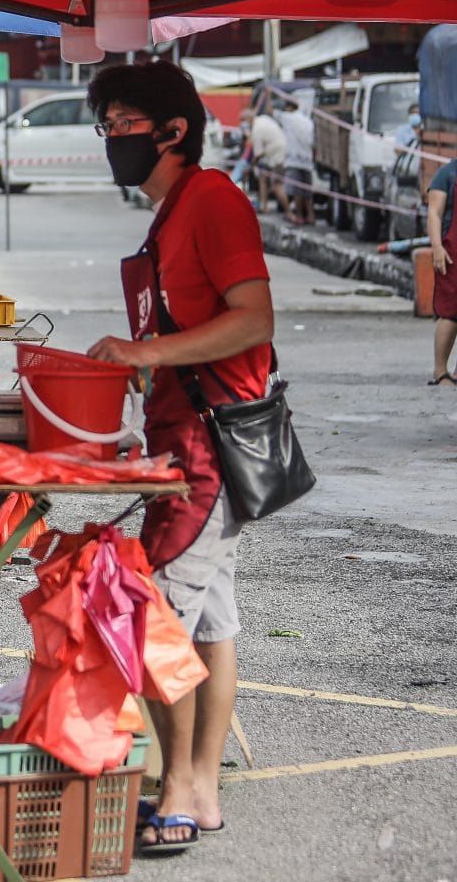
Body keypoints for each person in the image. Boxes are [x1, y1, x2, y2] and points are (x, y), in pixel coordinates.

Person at [85, 61, 275, 857]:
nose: (112, 142)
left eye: (122, 125)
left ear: (172, 132)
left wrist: (147, 349)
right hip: (184, 436)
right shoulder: (171, 212)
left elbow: (253, 319)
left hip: (209, 446)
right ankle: (200, 788)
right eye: (107, 126)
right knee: (212, 623)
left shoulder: (213, 201)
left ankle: (179, 789)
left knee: (158, 611)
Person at [424, 156, 457, 386]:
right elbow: (434, 213)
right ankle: (440, 371)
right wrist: (436, 247)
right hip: (451, 253)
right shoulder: (446, 174)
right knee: (450, 312)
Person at [277, 100, 315, 225]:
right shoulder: (307, 121)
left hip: (294, 161)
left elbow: (270, 111)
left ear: (289, 107)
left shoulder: (288, 118)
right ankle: (310, 216)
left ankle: (299, 216)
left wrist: (267, 94)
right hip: (307, 161)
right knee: (307, 193)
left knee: (297, 192)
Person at [244, 108, 288, 215]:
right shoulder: (263, 119)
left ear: (249, 119)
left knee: (277, 185)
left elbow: (258, 153)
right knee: (262, 179)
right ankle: (264, 206)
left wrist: (251, 165)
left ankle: (289, 212)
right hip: (276, 151)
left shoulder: (256, 130)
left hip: (276, 155)